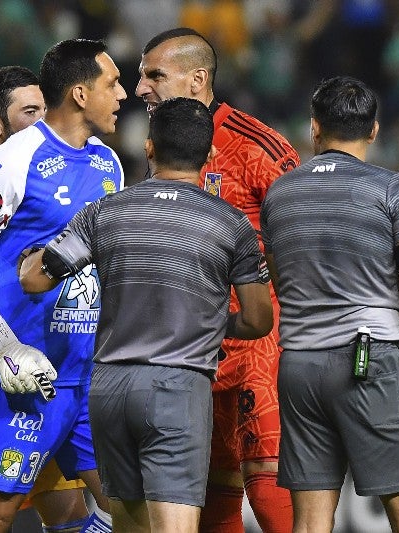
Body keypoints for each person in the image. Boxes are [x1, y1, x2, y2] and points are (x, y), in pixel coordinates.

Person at [19, 96, 274, 533]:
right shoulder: (232, 225)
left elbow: (36, 279)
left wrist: (28, 255)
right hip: (178, 386)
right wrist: (211, 323)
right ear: (210, 155)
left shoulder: (104, 212)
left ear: (149, 149)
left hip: (110, 390)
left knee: (128, 526)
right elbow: (257, 320)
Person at [259, 76, 399, 533]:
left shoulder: (280, 194)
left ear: (314, 128)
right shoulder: (394, 190)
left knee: (309, 524)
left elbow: (281, 274)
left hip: (300, 369)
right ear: (373, 130)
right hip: (366, 362)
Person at [0, 39, 126, 533]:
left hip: (86, 372)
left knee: (130, 511)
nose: (124, 93)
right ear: (81, 93)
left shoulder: (109, 164)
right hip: (27, 376)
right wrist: (5, 346)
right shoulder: (13, 160)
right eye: (113, 83)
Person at [135, 27, 299, 533]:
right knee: (210, 489)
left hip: (258, 341)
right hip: (191, 344)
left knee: (267, 480)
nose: (141, 88)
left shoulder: (258, 147)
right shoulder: (158, 149)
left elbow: (303, 229)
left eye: (153, 75)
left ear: (197, 79)